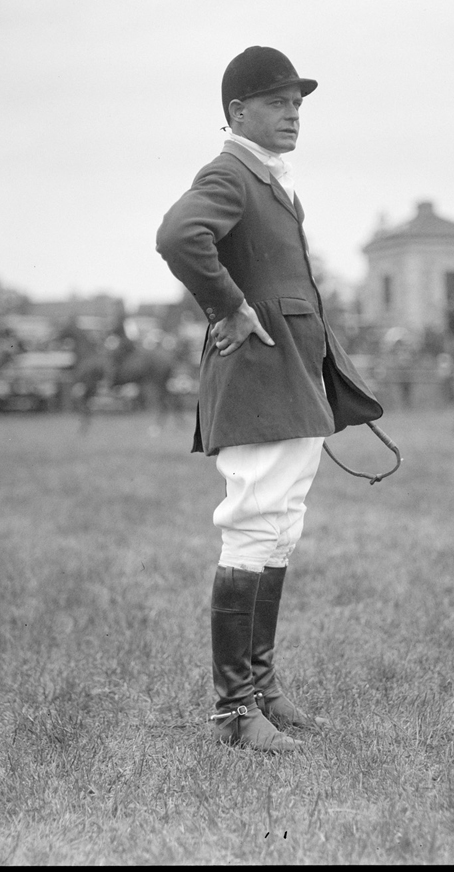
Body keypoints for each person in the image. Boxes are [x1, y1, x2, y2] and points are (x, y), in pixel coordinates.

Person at [156, 46, 383, 751]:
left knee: (279, 525)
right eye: (278, 102)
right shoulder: (230, 171)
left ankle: (260, 689)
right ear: (237, 112)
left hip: (290, 374)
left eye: (297, 104)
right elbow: (177, 236)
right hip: (257, 372)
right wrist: (226, 307)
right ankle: (232, 712)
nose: (292, 115)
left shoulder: (272, 180)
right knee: (254, 522)